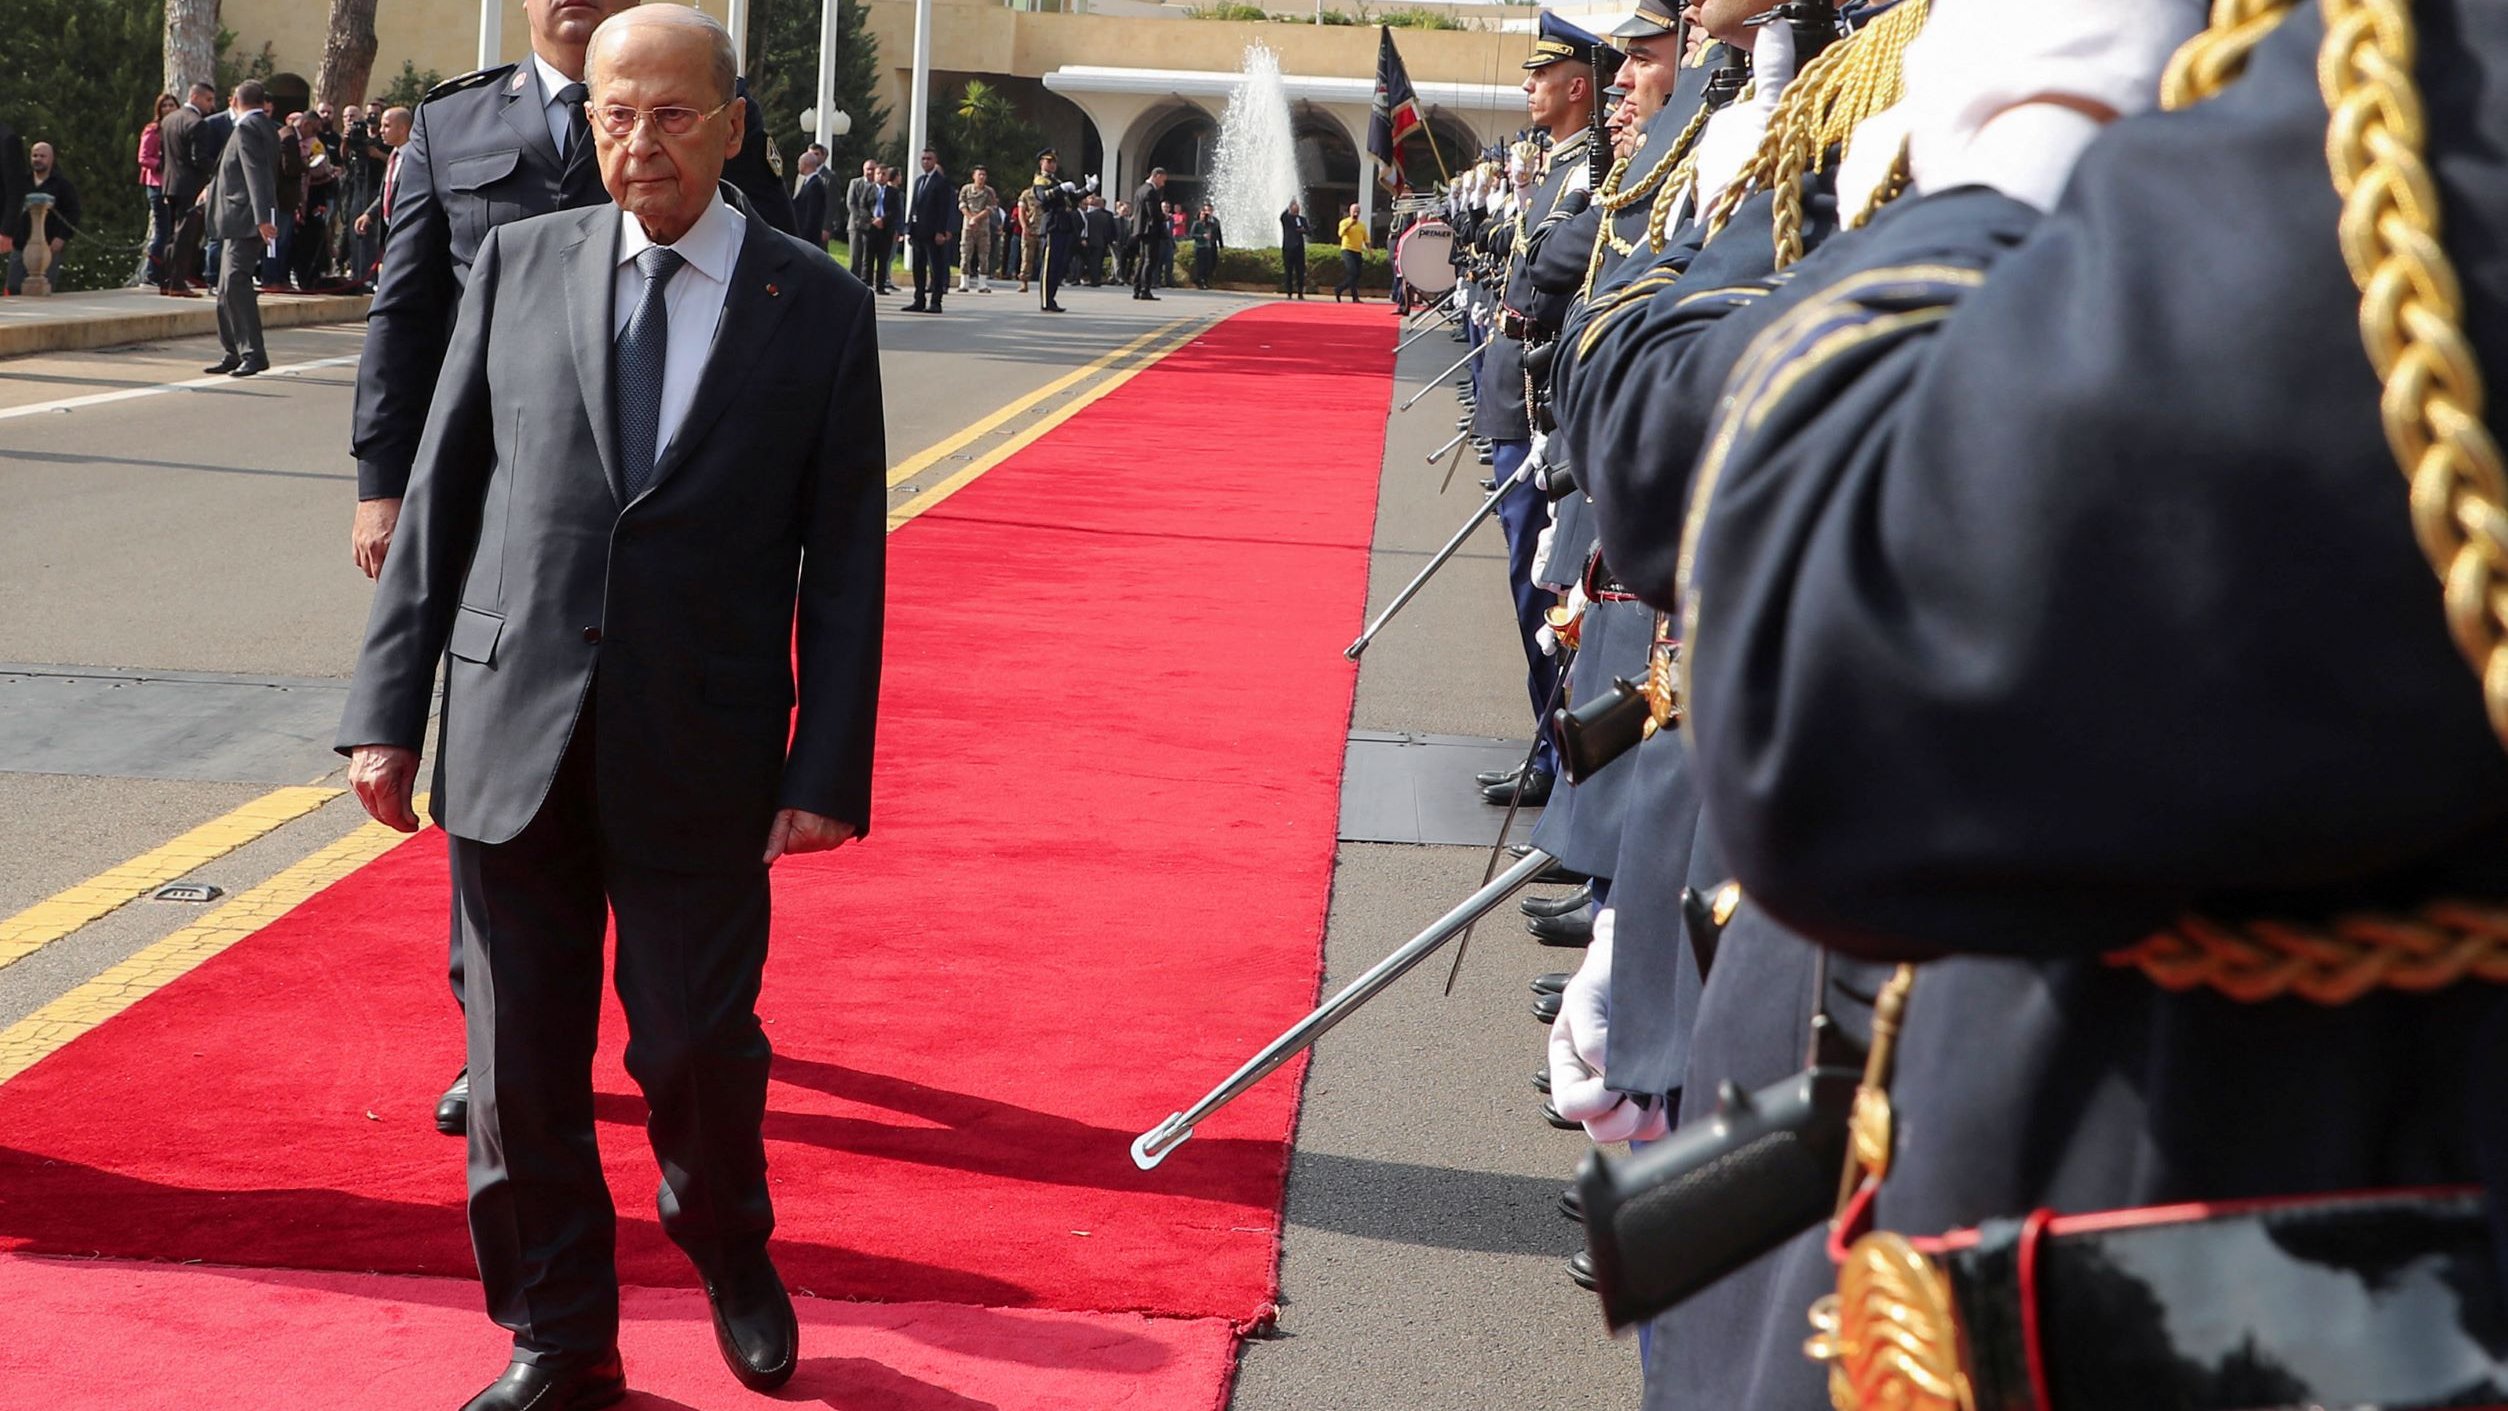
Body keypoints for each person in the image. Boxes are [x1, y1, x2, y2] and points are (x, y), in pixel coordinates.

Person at [337, 9, 885, 1408]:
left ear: (734, 124)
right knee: (520, 1070)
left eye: (672, 115)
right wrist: (385, 711)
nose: (639, 143)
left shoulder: (813, 304)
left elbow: (846, 563)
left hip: (701, 740)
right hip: (514, 725)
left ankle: (728, 1239)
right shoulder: (521, 264)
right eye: (613, 116)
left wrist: (825, 764)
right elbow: (444, 501)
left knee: (696, 1045)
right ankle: (560, 1332)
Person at [202, 83, 278, 375]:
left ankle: (253, 353)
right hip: (238, 220)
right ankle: (233, 350)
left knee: (235, 283)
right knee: (224, 288)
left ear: (234, 101)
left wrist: (262, 218)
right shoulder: (265, 125)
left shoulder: (248, 128)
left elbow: (256, 173)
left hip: (245, 219)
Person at [157, 82, 219, 296]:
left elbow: (164, 157)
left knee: (171, 235)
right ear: (194, 97)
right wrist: (219, 169)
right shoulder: (197, 124)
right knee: (185, 236)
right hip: (190, 186)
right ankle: (177, 283)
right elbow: (198, 158)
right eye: (208, 100)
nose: (211, 106)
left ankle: (165, 280)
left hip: (170, 184)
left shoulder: (168, 120)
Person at [2, 140, 78, 295]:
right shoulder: (20, 182)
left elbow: (73, 213)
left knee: (42, 292)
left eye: (42, 156)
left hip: (48, 247)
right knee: (14, 288)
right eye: (34, 155)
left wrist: (62, 237)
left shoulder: (62, 185)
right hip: (20, 245)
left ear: (51, 159)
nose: (37, 159)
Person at [350, 105, 412, 286]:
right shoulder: (394, 155)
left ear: (402, 128)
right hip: (388, 229)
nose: (381, 131)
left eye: (386, 126)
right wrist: (369, 214)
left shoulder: (416, 157)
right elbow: (387, 192)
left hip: (407, 231)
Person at [903, 146, 957, 313]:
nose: (925, 161)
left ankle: (936, 301)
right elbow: (914, 206)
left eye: (929, 159)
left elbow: (944, 208)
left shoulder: (941, 182)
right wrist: (909, 229)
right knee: (918, 268)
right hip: (918, 231)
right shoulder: (919, 181)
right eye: (923, 159)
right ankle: (919, 300)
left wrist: (942, 231)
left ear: (935, 161)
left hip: (934, 233)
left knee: (936, 268)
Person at [1026, 147, 1081, 311]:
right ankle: (1045, 300)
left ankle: (1051, 298)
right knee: (1049, 265)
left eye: (1054, 162)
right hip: (1051, 225)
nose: (1052, 165)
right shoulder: (1040, 181)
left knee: (1058, 266)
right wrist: (1061, 189)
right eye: (1049, 161)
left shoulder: (1056, 181)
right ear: (1041, 162)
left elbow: (1074, 198)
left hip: (1063, 225)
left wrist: (1088, 189)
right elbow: (1043, 197)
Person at [139, 95, 177, 287]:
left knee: (174, 231)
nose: (169, 109)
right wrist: (163, 165)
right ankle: (152, 273)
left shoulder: (178, 128)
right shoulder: (152, 131)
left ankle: (170, 271)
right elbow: (144, 157)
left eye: (172, 105)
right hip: (156, 184)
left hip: (175, 185)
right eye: (165, 106)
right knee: (162, 230)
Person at [956, 164, 997, 293]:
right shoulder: (966, 189)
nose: (982, 177)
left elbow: (990, 208)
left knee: (983, 255)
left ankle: (982, 284)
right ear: (974, 176)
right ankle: (964, 283)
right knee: (965, 254)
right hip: (968, 226)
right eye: (979, 174)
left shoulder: (989, 191)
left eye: (984, 175)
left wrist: (977, 218)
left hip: (983, 227)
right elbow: (962, 205)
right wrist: (970, 218)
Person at [1130, 166, 1169, 301]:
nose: (1163, 184)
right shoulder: (1150, 191)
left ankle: (1137, 288)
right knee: (1150, 260)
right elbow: (1152, 213)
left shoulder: (1140, 189)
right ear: (1157, 176)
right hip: (1150, 230)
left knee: (1142, 260)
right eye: (1163, 180)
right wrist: (1164, 216)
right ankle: (1145, 290)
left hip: (1141, 229)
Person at [844, 156, 880, 280]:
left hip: (872, 226)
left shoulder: (878, 187)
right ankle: (853, 280)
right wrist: (860, 219)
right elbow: (851, 203)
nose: (870, 172)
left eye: (873, 169)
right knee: (855, 255)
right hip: (855, 225)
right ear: (863, 169)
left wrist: (871, 220)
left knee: (868, 257)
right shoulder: (855, 183)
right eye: (868, 169)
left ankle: (866, 282)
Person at [789, 146, 830, 249]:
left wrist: (803, 235)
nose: (798, 166)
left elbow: (812, 214)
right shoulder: (807, 183)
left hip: (808, 237)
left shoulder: (815, 185)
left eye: (799, 163)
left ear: (805, 164)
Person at [1332, 203, 1367, 302]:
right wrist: (1351, 224)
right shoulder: (1344, 222)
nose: (1356, 213)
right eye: (1354, 211)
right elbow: (1341, 233)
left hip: (1358, 251)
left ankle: (1353, 297)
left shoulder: (1362, 225)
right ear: (1350, 212)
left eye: (1358, 211)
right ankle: (1339, 289)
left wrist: (1370, 250)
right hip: (1347, 250)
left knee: (1357, 275)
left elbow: (1366, 239)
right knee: (1353, 272)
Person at [1079, 193, 1115, 286]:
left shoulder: (1088, 215)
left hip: (1089, 241)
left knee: (1091, 262)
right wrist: (1109, 241)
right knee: (1098, 262)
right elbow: (1109, 230)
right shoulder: (1107, 216)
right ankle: (1096, 280)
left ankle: (1092, 279)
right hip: (1101, 242)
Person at [1188, 200, 1223, 289]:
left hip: (1211, 245)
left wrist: (1221, 245)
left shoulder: (1213, 222)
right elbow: (1192, 235)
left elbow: (1218, 233)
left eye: (1209, 210)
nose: (1207, 213)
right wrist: (1202, 236)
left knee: (1211, 264)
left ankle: (1205, 280)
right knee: (1201, 265)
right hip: (1201, 246)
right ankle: (1201, 281)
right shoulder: (1197, 223)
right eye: (1205, 211)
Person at [1278, 199, 1309, 298]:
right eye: (1294, 210)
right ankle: (1289, 293)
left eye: (1298, 211)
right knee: (1289, 272)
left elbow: (1309, 231)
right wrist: (1289, 205)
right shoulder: (1287, 218)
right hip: (1288, 248)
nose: (1296, 213)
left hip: (1299, 249)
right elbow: (1282, 217)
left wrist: (1303, 230)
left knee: (1300, 271)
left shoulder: (1302, 219)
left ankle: (1300, 293)